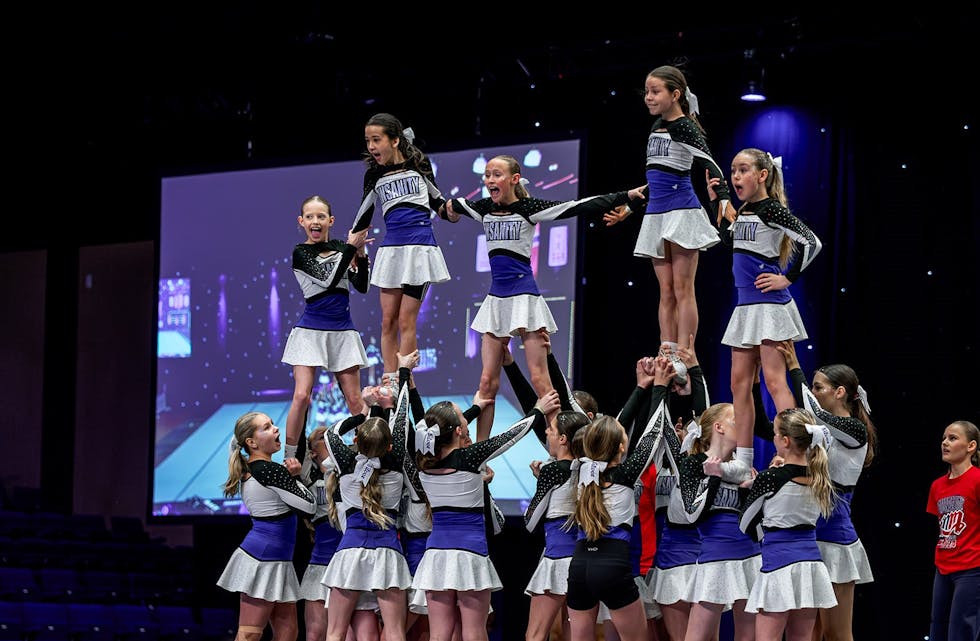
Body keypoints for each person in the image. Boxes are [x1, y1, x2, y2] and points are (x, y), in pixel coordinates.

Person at [445, 154, 643, 440]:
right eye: (487, 175)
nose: (489, 180)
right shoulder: (484, 209)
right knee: (487, 383)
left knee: (541, 381)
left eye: (497, 174)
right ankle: (480, 454)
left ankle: (559, 446)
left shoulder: (528, 209)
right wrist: (446, 209)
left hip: (525, 298)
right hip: (496, 302)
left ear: (514, 179)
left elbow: (578, 206)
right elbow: (452, 205)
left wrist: (623, 196)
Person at [603, 64, 732, 383]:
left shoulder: (685, 127)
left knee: (682, 287)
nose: (648, 97)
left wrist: (724, 200)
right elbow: (656, 178)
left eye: (655, 91)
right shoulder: (656, 128)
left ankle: (686, 353)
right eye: (646, 91)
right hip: (657, 215)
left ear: (675, 94)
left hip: (682, 211)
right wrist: (630, 209)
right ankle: (667, 350)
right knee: (665, 291)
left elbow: (710, 164)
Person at [707, 147, 822, 492]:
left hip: (769, 306)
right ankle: (743, 460)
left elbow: (811, 242)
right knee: (739, 384)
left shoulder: (772, 209)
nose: (736, 177)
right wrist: (720, 200)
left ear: (762, 175)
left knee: (774, 382)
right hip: (745, 308)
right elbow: (730, 241)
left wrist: (787, 277)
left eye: (743, 170)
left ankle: (794, 453)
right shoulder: (745, 210)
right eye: (733, 171)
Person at [411, 388, 561, 641]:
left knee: (439, 634)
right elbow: (510, 437)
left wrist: (475, 410)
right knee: (474, 631)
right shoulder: (470, 457)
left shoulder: (423, 461)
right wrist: (538, 410)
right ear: (458, 431)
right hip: (470, 555)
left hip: (436, 556)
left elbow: (443, 429)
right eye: (462, 419)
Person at [778, 341, 877, 641]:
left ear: (840, 392)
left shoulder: (855, 430)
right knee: (811, 633)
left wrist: (795, 370)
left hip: (835, 540)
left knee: (836, 634)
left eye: (819, 387)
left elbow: (817, 414)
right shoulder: (820, 434)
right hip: (810, 537)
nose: (815, 393)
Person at [353, 113, 450, 386]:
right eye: (368, 141)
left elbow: (438, 201)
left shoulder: (419, 165)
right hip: (392, 251)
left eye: (376, 140)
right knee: (388, 322)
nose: (371, 147)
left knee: (407, 320)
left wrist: (452, 211)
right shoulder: (374, 174)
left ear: (394, 140)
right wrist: (352, 249)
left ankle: (406, 381)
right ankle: (389, 383)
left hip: (420, 251)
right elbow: (363, 215)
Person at [319, 387, 415, 641]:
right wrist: (397, 392)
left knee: (335, 632)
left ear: (356, 442)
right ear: (390, 446)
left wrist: (362, 412)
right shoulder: (395, 461)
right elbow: (403, 419)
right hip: (388, 552)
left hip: (349, 552)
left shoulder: (347, 461)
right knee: (395, 631)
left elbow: (330, 434)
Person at [282, 194, 373, 460]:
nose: (315, 221)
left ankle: (374, 451)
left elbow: (362, 286)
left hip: (342, 332)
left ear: (330, 221)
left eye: (321, 216)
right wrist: (349, 248)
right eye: (310, 216)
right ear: (301, 222)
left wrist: (361, 254)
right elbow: (329, 278)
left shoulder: (339, 248)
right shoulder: (301, 253)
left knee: (355, 401)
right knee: (301, 396)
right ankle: (291, 456)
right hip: (310, 332)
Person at [734, 408, 837, 641]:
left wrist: (746, 491)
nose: (772, 437)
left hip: (779, 564)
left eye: (774, 433)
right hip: (810, 566)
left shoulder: (770, 478)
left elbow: (745, 523)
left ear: (785, 441)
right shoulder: (819, 475)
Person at [217, 412, 316, 641]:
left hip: (276, 559)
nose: (276, 429)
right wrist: (296, 477)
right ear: (251, 443)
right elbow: (309, 507)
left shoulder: (257, 468)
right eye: (267, 427)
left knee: (287, 633)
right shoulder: (269, 471)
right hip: (263, 560)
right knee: (250, 634)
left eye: (272, 424)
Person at [675, 402, 759, 641]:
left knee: (747, 637)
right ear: (719, 427)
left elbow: (754, 524)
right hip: (715, 557)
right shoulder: (693, 464)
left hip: (749, 556)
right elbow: (691, 514)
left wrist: (749, 492)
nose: (743, 426)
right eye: (737, 420)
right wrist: (712, 479)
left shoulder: (741, 468)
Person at [523, 410, 592, 641]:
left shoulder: (552, 470)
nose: (546, 432)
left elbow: (530, 522)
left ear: (563, 439)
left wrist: (541, 484)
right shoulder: (588, 470)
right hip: (584, 562)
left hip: (557, 559)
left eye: (550, 430)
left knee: (535, 635)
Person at [926, 420, 980, 641]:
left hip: (972, 568)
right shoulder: (937, 485)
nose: (945, 443)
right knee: (937, 629)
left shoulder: (977, 479)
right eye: (944, 439)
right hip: (943, 567)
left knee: (961, 631)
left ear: (971, 446)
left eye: (953, 438)